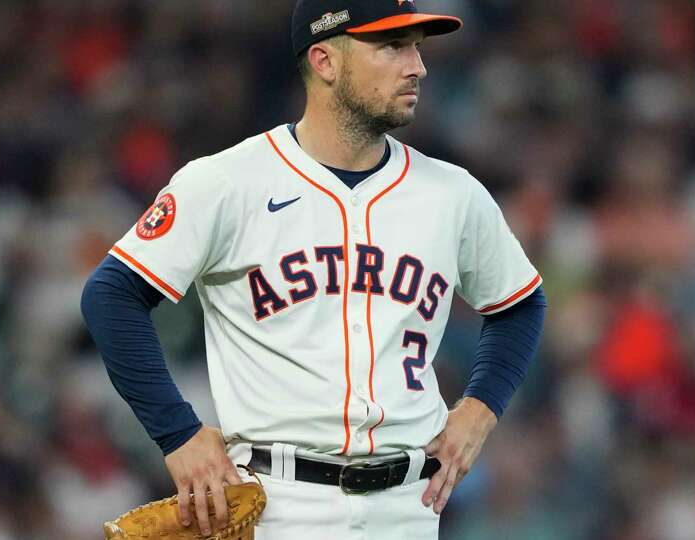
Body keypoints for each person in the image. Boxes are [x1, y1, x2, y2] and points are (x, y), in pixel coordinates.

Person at [80, 1, 547, 538]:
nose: (417, 65)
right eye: (392, 46)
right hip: (277, 501)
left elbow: (521, 304)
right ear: (324, 60)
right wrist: (178, 434)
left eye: (417, 46)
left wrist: (480, 408)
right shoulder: (228, 182)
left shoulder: (453, 194)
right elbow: (111, 294)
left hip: (409, 506)